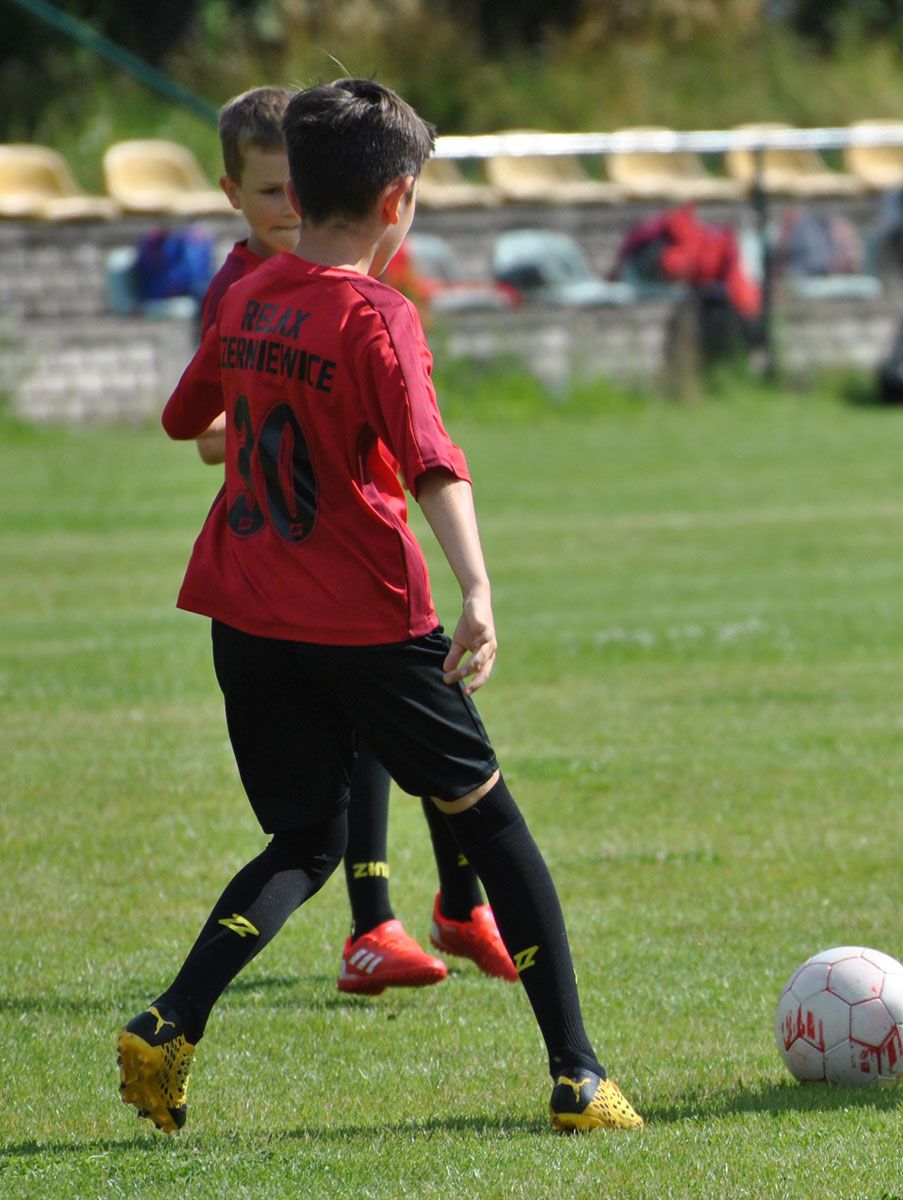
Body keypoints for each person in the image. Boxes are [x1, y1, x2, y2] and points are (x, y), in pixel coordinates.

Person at [120, 78, 641, 1134]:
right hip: (364, 619)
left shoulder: (250, 291)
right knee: (495, 829)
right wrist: (480, 589)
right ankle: (580, 1080)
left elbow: (189, 417)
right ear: (398, 200)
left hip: (245, 610)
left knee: (306, 844)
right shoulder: (378, 315)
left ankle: (171, 1021)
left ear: (298, 186)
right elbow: (431, 461)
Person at [195, 86, 518, 997]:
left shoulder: (340, 289)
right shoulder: (252, 290)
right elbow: (205, 425)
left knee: (410, 744)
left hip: (332, 558)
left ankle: (453, 906)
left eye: (282, 191)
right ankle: (382, 923)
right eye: (262, 194)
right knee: (417, 757)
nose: (278, 211)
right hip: (324, 564)